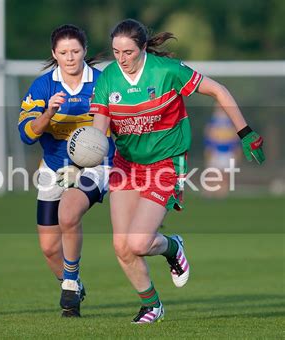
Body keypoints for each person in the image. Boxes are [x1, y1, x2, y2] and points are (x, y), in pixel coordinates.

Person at [90, 19, 265, 323]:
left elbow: (219, 91)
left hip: (166, 163)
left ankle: (172, 246)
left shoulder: (167, 71)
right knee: (121, 246)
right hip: (126, 165)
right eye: (116, 51)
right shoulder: (108, 79)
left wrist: (245, 133)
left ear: (143, 48)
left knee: (139, 243)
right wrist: (85, 153)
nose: (122, 59)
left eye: (128, 52)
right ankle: (152, 305)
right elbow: (98, 133)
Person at [18, 24, 115, 317]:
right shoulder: (43, 86)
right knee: (49, 247)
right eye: (63, 53)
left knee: (68, 213)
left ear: (84, 51)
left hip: (96, 166)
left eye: (75, 51)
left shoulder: (103, 82)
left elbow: (121, 126)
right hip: (53, 167)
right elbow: (26, 134)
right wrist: (48, 112)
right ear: (54, 54)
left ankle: (70, 285)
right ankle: (71, 283)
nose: (70, 57)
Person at [203, 105, 242, 197]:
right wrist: (208, 148)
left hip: (227, 151)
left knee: (225, 174)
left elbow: (235, 137)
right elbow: (208, 135)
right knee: (212, 172)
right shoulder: (213, 121)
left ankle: (222, 193)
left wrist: (236, 150)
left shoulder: (231, 121)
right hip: (215, 151)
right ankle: (209, 192)